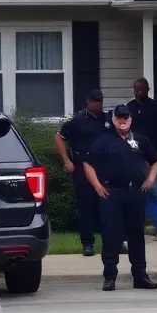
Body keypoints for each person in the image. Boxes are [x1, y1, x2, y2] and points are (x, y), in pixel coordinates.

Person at [84, 104, 157, 291]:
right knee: (111, 236)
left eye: (125, 117)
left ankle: (140, 276)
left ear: (131, 119)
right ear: (113, 120)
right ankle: (109, 276)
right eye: (119, 117)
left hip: (135, 192)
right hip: (112, 193)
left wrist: (150, 179)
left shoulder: (140, 140)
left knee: (136, 235)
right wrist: (97, 186)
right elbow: (88, 163)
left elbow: (156, 159)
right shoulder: (103, 140)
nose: (123, 120)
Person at [56, 89, 116, 256]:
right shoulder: (78, 121)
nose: (98, 105)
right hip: (82, 168)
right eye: (95, 102)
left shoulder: (108, 120)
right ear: (88, 102)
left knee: (109, 206)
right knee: (86, 206)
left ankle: (112, 242)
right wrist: (66, 160)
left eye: (101, 102)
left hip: (105, 168)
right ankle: (87, 243)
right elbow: (59, 138)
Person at [127, 77, 157, 240]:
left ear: (147, 88)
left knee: (154, 191)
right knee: (137, 192)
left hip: (153, 156)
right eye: (135, 89)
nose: (138, 91)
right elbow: (125, 131)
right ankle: (137, 227)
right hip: (134, 155)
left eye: (141, 88)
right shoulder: (129, 108)